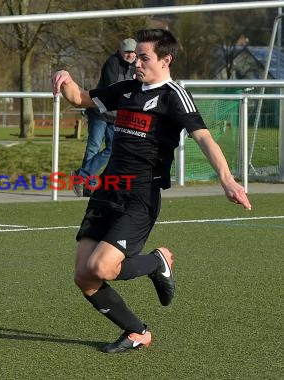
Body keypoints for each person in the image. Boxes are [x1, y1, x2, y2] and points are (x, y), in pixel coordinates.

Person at [51, 29, 251, 353]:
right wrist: (65, 79)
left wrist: (226, 179)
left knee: (102, 268)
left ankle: (157, 261)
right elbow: (80, 98)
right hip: (107, 191)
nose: (136, 63)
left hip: (139, 197)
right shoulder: (127, 88)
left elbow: (204, 138)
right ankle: (137, 331)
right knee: (84, 277)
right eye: (136, 57)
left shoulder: (174, 95)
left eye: (144, 57)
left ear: (165, 59)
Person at [72, 38, 137, 197]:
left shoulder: (136, 66)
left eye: (132, 52)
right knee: (93, 148)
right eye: (127, 52)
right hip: (99, 112)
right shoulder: (112, 63)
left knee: (113, 148)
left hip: (116, 115)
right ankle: (89, 185)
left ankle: (82, 176)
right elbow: (114, 88)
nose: (130, 55)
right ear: (120, 51)